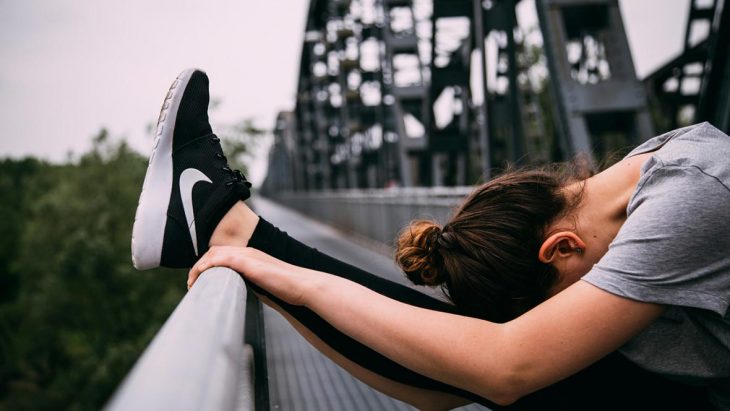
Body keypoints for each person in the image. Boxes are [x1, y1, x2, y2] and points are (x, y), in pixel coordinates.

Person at [132, 69, 728, 410]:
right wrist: (277, 282)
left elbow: (506, 366)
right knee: (476, 365)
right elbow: (446, 389)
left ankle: (229, 227)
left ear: (561, 250)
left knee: (509, 363)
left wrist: (300, 280)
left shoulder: (692, 198)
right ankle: (232, 230)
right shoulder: (659, 167)